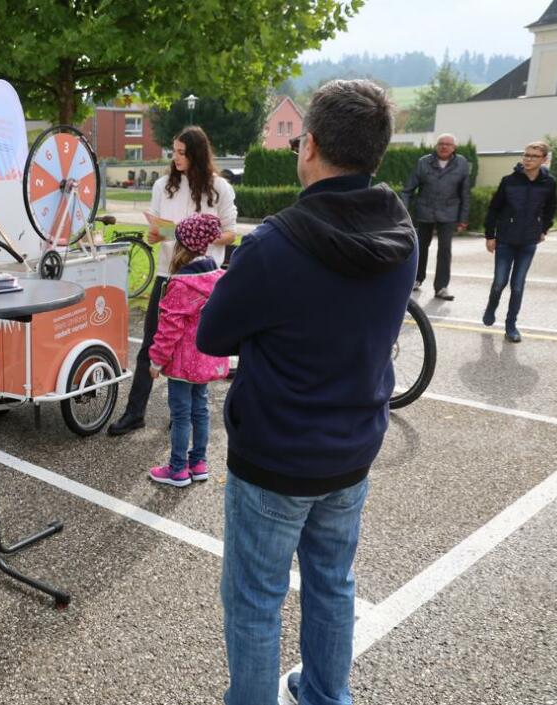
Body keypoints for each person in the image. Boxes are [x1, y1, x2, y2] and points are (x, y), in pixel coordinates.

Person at [197, 79, 416, 705]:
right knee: (331, 582)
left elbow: (213, 337)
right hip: (353, 448)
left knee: (255, 601)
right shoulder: (401, 232)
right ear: (377, 152)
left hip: (276, 455)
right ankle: (326, 693)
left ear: (309, 144)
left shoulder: (274, 245)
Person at [107, 125, 237, 436]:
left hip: (205, 280)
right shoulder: (163, 185)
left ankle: (185, 414)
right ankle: (134, 412)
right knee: (150, 346)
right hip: (168, 275)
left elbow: (232, 233)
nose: (175, 157)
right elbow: (154, 234)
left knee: (196, 347)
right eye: (174, 151)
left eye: (182, 152)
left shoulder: (219, 188)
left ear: (197, 154)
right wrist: (159, 234)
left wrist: (200, 236)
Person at [146, 213, 230, 487]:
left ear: (182, 245)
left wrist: (156, 361)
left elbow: (169, 329)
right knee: (201, 411)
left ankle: (178, 469)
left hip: (182, 364)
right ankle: (199, 463)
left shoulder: (182, 284)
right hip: (206, 360)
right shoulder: (219, 277)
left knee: (181, 415)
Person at [482, 141, 557, 343]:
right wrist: (490, 235)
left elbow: (550, 209)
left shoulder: (549, 183)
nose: (528, 159)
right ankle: (491, 306)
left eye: (533, 156)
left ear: (544, 159)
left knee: (517, 286)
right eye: (526, 155)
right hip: (505, 239)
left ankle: (511, 325)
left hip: (528, 242)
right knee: (499, 283)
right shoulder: (509, 181)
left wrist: (544, 229)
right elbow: (494, 209)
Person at [401, 133, 471, 300]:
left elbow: (465, 193)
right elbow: (408, 189)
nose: (444, 146)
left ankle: (441, 287)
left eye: (448, 144)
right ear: (436, 146)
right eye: (441, 143)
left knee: (445, 250)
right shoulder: (423, 162)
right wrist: (403, 212)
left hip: (449, 213)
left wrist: (463, 218)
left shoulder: (461, 164)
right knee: (420, 247)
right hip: (424, 211)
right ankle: (417, 279)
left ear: (454, 148)